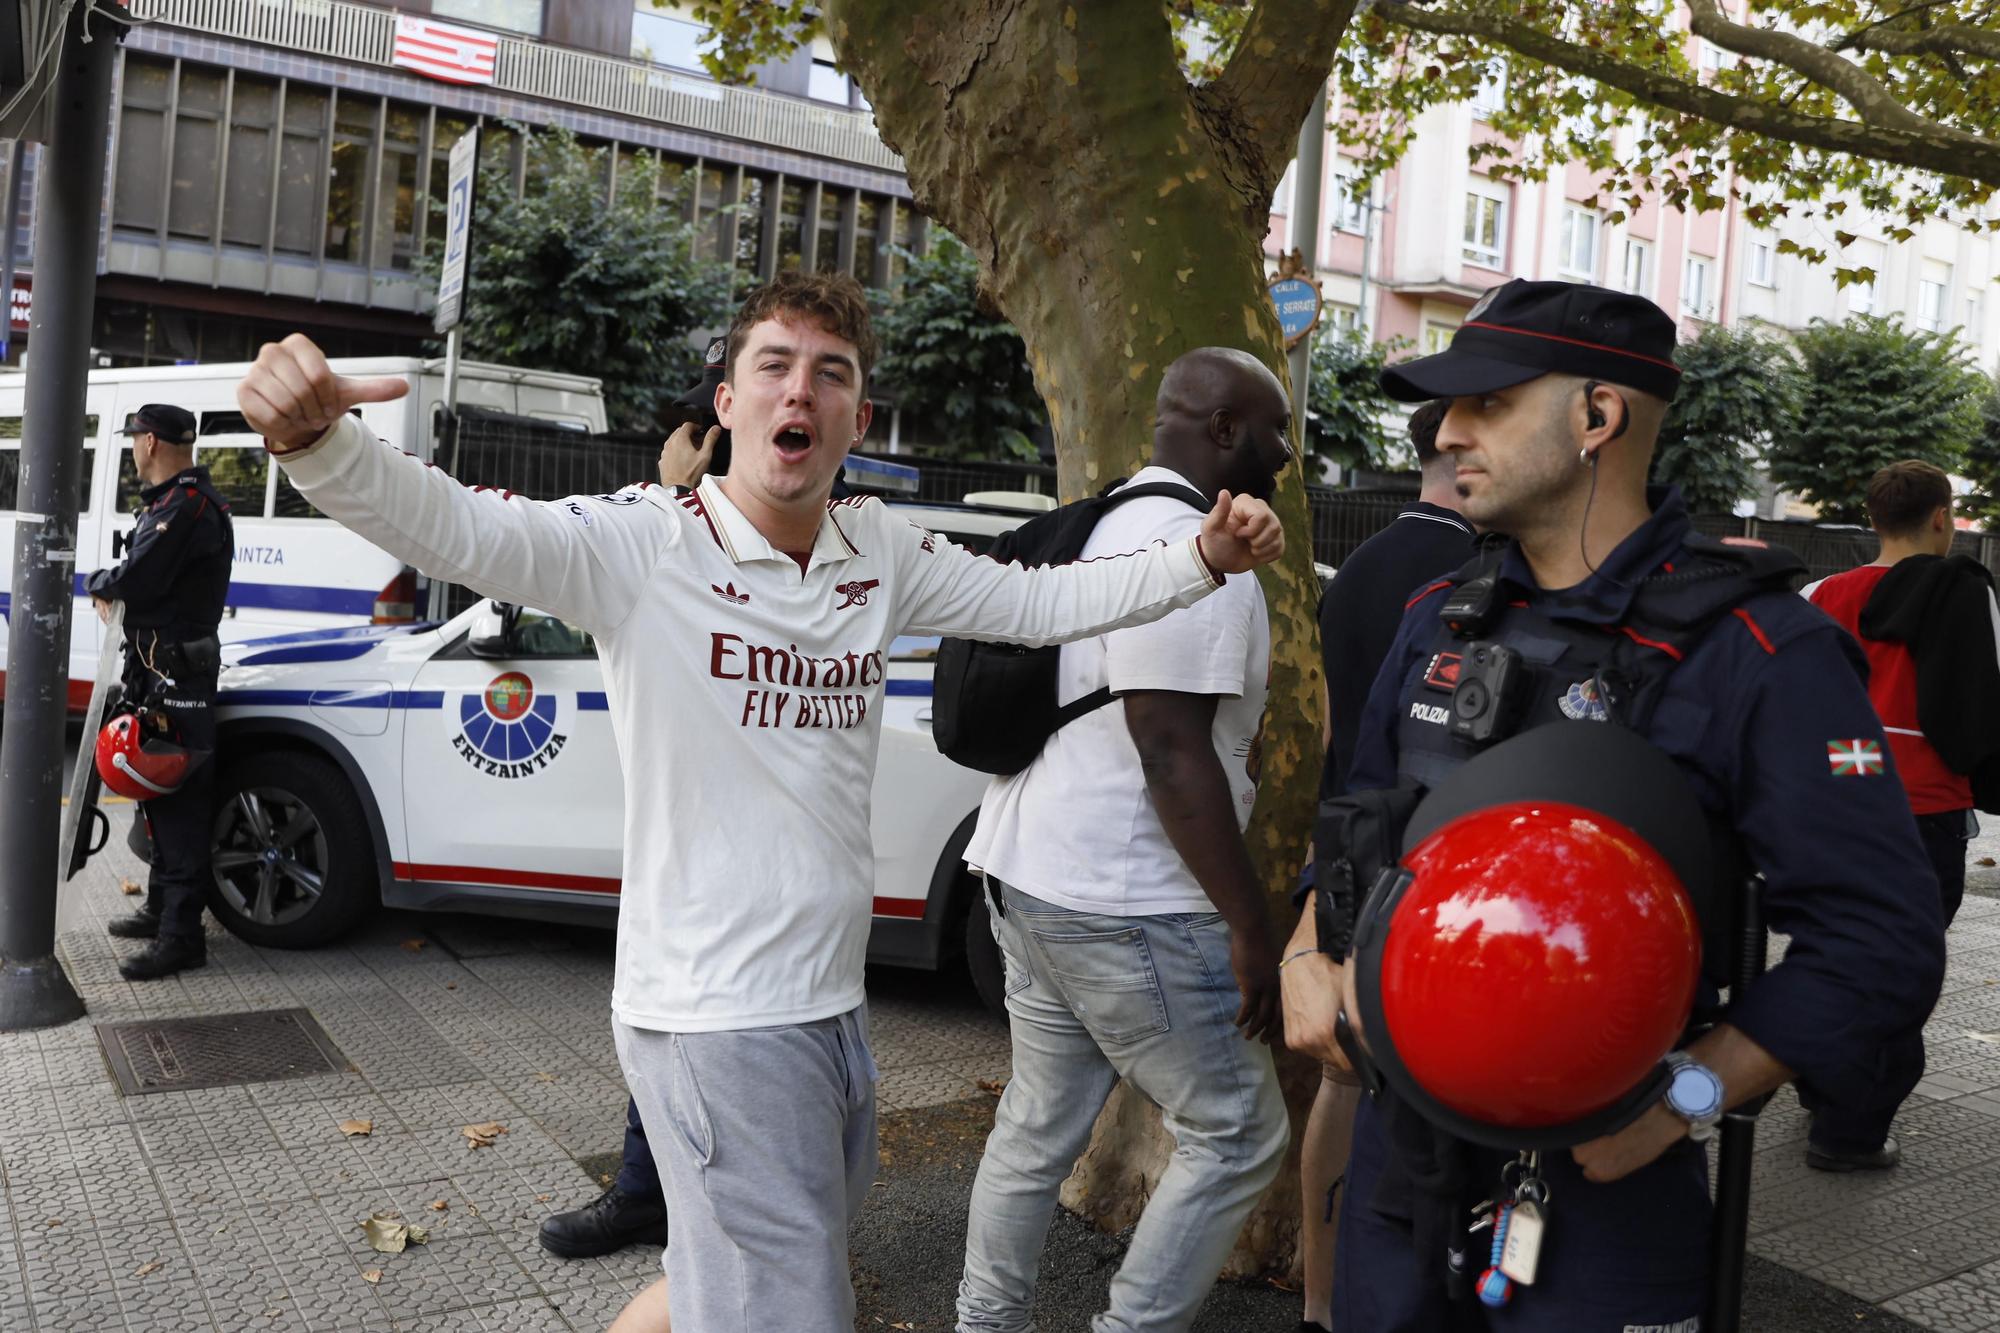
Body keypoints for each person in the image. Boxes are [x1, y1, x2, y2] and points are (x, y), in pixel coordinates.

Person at [233, 271, 1285, 1333]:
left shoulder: (877, 550)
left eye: (831, 375)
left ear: (856, 421)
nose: (800, 391)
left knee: (723, 1284)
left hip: (829, 1006)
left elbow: (1044, 601)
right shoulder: (646, 543)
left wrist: (1201, 557)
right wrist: (319, 445)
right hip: (714, 1021)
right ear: (728, 403)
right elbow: (466, 529)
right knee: (789, 1306)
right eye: (774, 366)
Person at [1280, 278, 1946, 1330]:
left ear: (1598, 415)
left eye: (1488, 402)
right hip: (1399, 1170)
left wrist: (1687, 1098)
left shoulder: (1759, 651)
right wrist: (1303, 948)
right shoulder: (1439, 616)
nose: (1447, 432)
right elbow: (1359, 817)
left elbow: (1878, 938)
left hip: (1602, 1185)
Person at [953, 348, 1294, 1333]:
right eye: (1274, 430)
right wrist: (1250, 927)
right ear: (1224, 430)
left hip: (1022, 873)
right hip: (1126, 896)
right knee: (1236, 1133)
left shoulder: (1099, 522)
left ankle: (985, 1323)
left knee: (1035, 1127)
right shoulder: (1195, 552)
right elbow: (1169, 750)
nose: (1285, 453)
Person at [1296, 397, 1470, 1333]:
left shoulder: (1361, 564)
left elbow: (1327, 726)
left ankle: (1321, 1301)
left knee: (1341, 1080)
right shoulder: (1471, 574)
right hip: (1428, 865)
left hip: (1347, 848)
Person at [540, 417, 720, 1263]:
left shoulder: (706, 543)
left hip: (736, 870)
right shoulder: (675, 540)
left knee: (707, 1035)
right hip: (689, 855)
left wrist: (676, 494)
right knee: (669, 1024)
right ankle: (652, 1195)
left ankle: (688, 1215)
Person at [1802, 460, 1985, 1171]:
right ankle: (1850, 1128)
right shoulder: (1964, 591)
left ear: (1873, 518)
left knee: (1834, 950)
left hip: (1835, 807)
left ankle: (1820, 1083)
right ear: (1941, 518)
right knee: (1901, 968)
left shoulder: (1821, 594)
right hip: (1926, 808)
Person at [89, 403, 235, 982]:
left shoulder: (187, 506)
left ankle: (181, 937)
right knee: (155, 793)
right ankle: (159, 909)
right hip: (156, 673)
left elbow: (140, 580)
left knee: (179, 804)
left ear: (150, 443)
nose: (132, 449)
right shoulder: (172, 502)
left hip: (178, 679)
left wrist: (100, 583)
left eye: (134, 440)